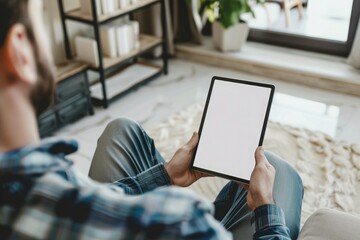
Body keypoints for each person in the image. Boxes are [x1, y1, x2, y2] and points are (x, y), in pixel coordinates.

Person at [0, 0, 303, 239]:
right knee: (280, 174)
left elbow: (87, 201)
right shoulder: (180, 221)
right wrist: (264, 206)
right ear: (19, 50)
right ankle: (229, 213)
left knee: (122, 130)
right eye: (40, 16)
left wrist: (166, 175)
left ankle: (221, 210)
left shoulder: (50, 192)